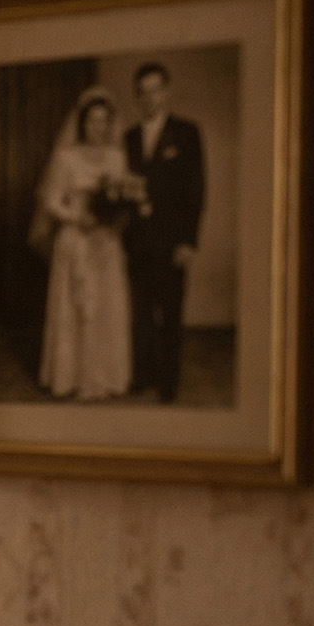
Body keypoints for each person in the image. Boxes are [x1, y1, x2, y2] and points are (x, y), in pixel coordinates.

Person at [34, 86, 135, 399]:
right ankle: (71, 377)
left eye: (104, 121)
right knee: (75, 307)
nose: (98, 127)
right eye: (92, 121)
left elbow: (124, 198)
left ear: (110, 124)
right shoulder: (66, 157)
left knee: (107, 306)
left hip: (106, 243)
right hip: (76, 239)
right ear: (82, 123)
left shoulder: (118, 158)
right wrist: (77, 218)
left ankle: (107, 378)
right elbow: (51, 201)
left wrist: (112, 219)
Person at [122, 62, 205, 403]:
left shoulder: (187, 132)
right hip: (137, 240)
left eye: (156, 89)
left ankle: (168, 382)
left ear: (167, 92)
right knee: (140, 313)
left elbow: (196, 189)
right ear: (137, 96)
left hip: (172, 241)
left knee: (170, 314)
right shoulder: (127, 137)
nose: (150, 97)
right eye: (143, 91)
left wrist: (188, 241)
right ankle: (143, 375)